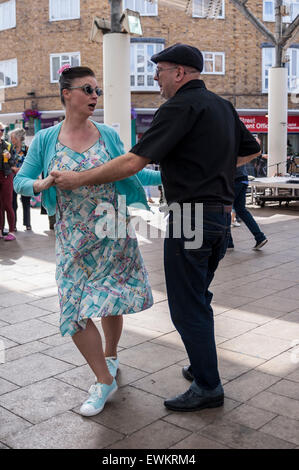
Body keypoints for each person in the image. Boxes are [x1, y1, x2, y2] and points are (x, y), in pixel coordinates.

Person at [50, 44, 261, 413]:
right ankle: (201, 365)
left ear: (179, 73)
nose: (155, 78)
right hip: (218, 216)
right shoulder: (221, 106)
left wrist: (80, 178)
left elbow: (132, 162)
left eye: (160, 70)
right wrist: (211, 168)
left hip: (189, 216)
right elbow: (252, 149)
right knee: (199, 294)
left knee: (186, 304)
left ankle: (208, 386)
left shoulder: (178, 107)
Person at [14, 65, 161, 417]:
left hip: (112, 232)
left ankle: (110, 357)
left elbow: (130, 169)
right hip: (72, 237)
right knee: (74, 310)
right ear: (67, 94)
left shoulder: (108, 134)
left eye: (96, 90)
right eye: (87, 89)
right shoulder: (47, 139)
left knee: (110, 302)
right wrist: (41, 184)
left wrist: (174, 174)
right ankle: (102, 379)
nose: (95, 96)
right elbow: (22, 180)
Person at [228, 137, 268, 251]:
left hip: (235, 180)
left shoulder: (232, 144)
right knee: (241, 210)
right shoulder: (238, 144)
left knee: (226, 209)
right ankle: (260, 237)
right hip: (243, 179)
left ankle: (228, 243)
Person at [9, 128, 32, 231]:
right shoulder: (10, 149)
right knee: (13, 202)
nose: (11, 139)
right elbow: (7, 162)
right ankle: (13, 225)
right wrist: (13, 168)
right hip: (12, 178)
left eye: (13, 138)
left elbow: (31, 163)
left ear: (18, 138)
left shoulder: (27, 149)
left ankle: (27, 224)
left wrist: (21, 169)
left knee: (26, 201)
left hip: (25, 178)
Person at [0, 122, 16, 241]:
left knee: (7, 204)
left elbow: (12, 164)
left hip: (6, 176)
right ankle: (0, 230)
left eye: (2, 130)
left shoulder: (8, 146)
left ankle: (11, 230)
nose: (0, 132)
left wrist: (10, 157)